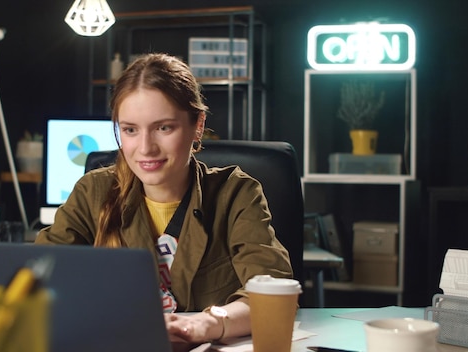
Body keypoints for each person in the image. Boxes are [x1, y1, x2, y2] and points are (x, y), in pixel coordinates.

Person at [35, 53, 293, 346]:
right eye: (130, 130)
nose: (145, 148)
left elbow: (272, 295)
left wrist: (205, 323)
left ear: (198, 124)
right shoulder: (92, 192)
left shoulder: (236, 194)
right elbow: (40, 281)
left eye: (163, 128)